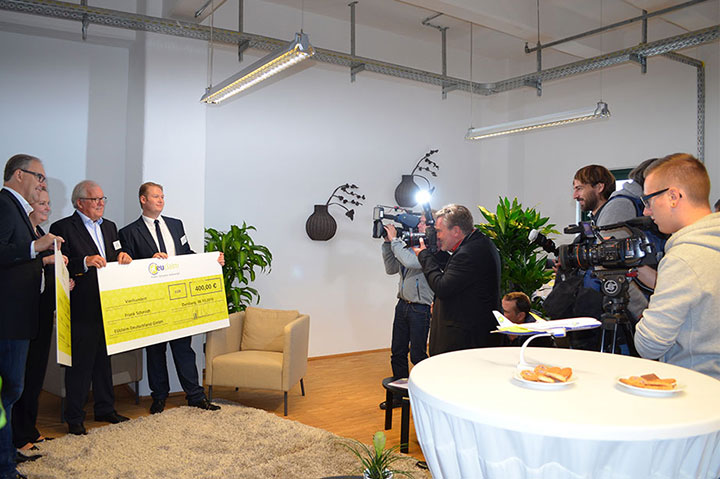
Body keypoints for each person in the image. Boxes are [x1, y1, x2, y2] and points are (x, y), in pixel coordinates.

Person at [118, 182, 221, 414]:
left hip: (178, 298)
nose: (161, 200)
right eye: (155, 196)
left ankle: (195, 396)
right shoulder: (128, 232)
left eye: (162, 196)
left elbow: (187, 255)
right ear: (143, 200)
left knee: (184, 348)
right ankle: (159, 397)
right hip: (152, 302)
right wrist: (150, 262)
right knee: (155, 352)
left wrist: (210, 262)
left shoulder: (176, 225)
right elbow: (127, 267)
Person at [49, 180, 132, 435]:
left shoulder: (110, 227)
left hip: (108, 305)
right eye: (95, 199)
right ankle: (75, 417)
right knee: (80, 366)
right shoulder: (62, 227)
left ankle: (106, 409)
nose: (100, 203)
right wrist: (84, 262)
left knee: (103, 363)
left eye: (102, 199)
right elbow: (58, 265)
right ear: (80, 203)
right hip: (81, 306)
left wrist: (123, 256)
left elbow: (118, 252)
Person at [1, 154, 61, 479]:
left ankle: (7, 453)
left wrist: (41, 260)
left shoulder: (17, 210)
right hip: (9, 320)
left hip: (20, 318)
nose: (41, 183)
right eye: (39, 176)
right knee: (8, 392)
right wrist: (36, 247)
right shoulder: (5, 205)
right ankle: (4, 465)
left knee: (12, 393)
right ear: (20, 174)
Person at [634, 153, 720, 380]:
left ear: (673, 196)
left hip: (696, 389)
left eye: (649, 201)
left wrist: (645, 319)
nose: (646, 212)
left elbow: (649, 345)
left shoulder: (683, 258)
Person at [12, 189, 70, 456]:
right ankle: (18, 435)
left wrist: (63, 280)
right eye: (42, 203)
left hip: (42, 314)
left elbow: (45, 278)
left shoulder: (40, 236)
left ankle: (30, 428)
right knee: (20, 379)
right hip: (22, 317)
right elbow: (18, 272)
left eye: (49, 202)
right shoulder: (26, 240)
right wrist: (47, 260)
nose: (47, 207)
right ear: (28, 208)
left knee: (35, 375)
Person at [415, 204, 501, 355]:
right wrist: (433, 252)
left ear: (456, 231)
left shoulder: (469, 252)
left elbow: (442, 287)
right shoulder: (478, 243)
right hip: (469, 336)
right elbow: (455, 272)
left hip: (465, 341)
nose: (438, 236)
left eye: (439, 231)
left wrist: (423, 256)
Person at [379, 216, 434, 410]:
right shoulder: (409, 247)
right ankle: (399, 397)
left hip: (420, 308)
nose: (418, 225)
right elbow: (391, 268)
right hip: (402, 305)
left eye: (423, 222)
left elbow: (411, 262)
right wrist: (387, 245)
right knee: (398, 352)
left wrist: (395, 241)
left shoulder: (430, 250)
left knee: (417, 355)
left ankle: (425, 396)